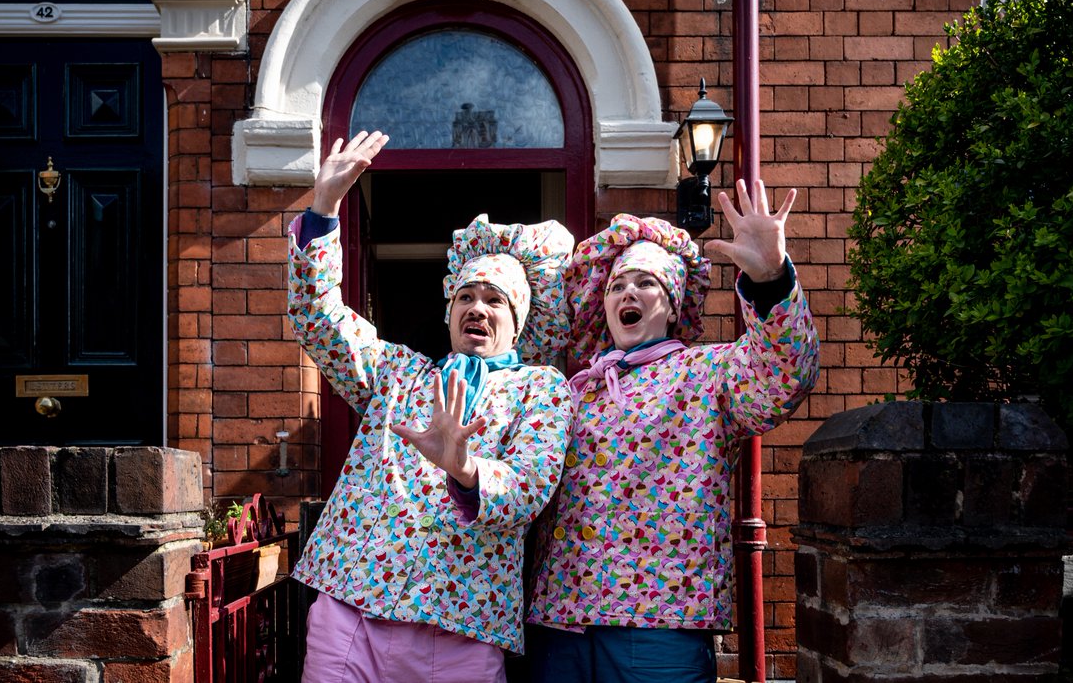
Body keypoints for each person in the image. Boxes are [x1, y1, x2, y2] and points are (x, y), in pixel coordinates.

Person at [287, 130, 575, 683]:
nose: (478, 307)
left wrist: (465, 469)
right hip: (353, 606)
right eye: (466, 296)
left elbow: (530, 488)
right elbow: (318, 319)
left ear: (517, 322)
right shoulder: (399, 371)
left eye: (495, 300)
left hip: (462, 622)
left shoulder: (540, 389)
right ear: (448, 312)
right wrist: (324, 209)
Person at [524, 179, 821, 683]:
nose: (628, 293)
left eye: (645, 284)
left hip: (659, 624)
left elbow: (785, 372)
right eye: (617, 285)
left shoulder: (705, 374)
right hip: (561, 619)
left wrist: (770, 278)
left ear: (672, 303)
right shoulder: (572, 390)